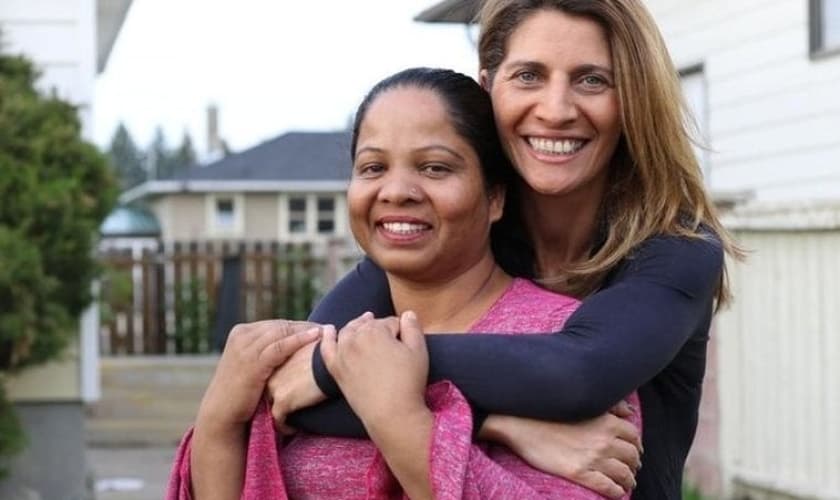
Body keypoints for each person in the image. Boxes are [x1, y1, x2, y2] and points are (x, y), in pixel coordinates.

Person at [273, 1, 743, 499]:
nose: (557, 110)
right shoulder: (462, 230)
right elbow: (294, 398)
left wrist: (349, 364)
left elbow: (578, 374)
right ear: (488, 88)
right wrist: (501, 425)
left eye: (592, 81)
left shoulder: (676, 249)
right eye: (528, 76)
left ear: (633, 99)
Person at [167, 67, 642, 500]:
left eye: (435, 168)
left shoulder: (560, 342)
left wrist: (401, 420)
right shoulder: (322, 346)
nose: (396, 191)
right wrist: (219, 420)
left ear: (496, 197)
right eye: (373, 167)